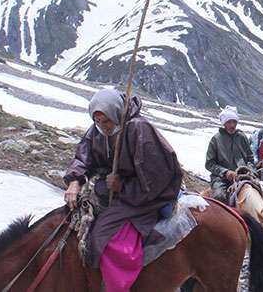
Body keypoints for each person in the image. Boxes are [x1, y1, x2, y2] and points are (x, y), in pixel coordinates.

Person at [63, 89, 183, 292]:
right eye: (98, 121)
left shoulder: (139, 129)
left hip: (145, 194)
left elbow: (157, 175)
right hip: (110, 187)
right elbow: (84, 156)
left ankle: (118, 285)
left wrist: (122, 186)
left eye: (107, 121)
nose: (103, 127)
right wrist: (75, 181)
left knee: (105, 236)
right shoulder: (97, 130)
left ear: (117, 113)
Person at [205, 105, 254, 201]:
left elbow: (250, 158)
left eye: (234, 122)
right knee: (219, 196)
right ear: (224, 123)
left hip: (242, 176)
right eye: (229, 122)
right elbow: (209, 164)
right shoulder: (216, 139)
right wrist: (225, 172)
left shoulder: (242, 137)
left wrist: (248, 169)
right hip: (220, 178)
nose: (232, 125)